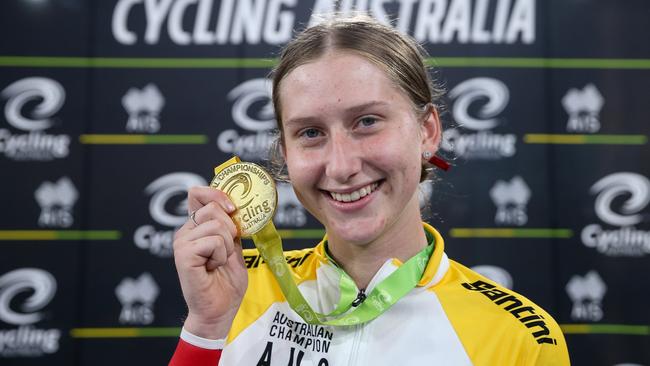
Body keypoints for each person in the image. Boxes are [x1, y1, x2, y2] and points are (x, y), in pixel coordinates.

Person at [169, 14, 570, 366]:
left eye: (367, 122)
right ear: (285, 151)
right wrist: (206, 329)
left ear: (427, 131)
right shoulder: (234, 292)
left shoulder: (520, 339)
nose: (341, 166)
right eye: (310, 133)